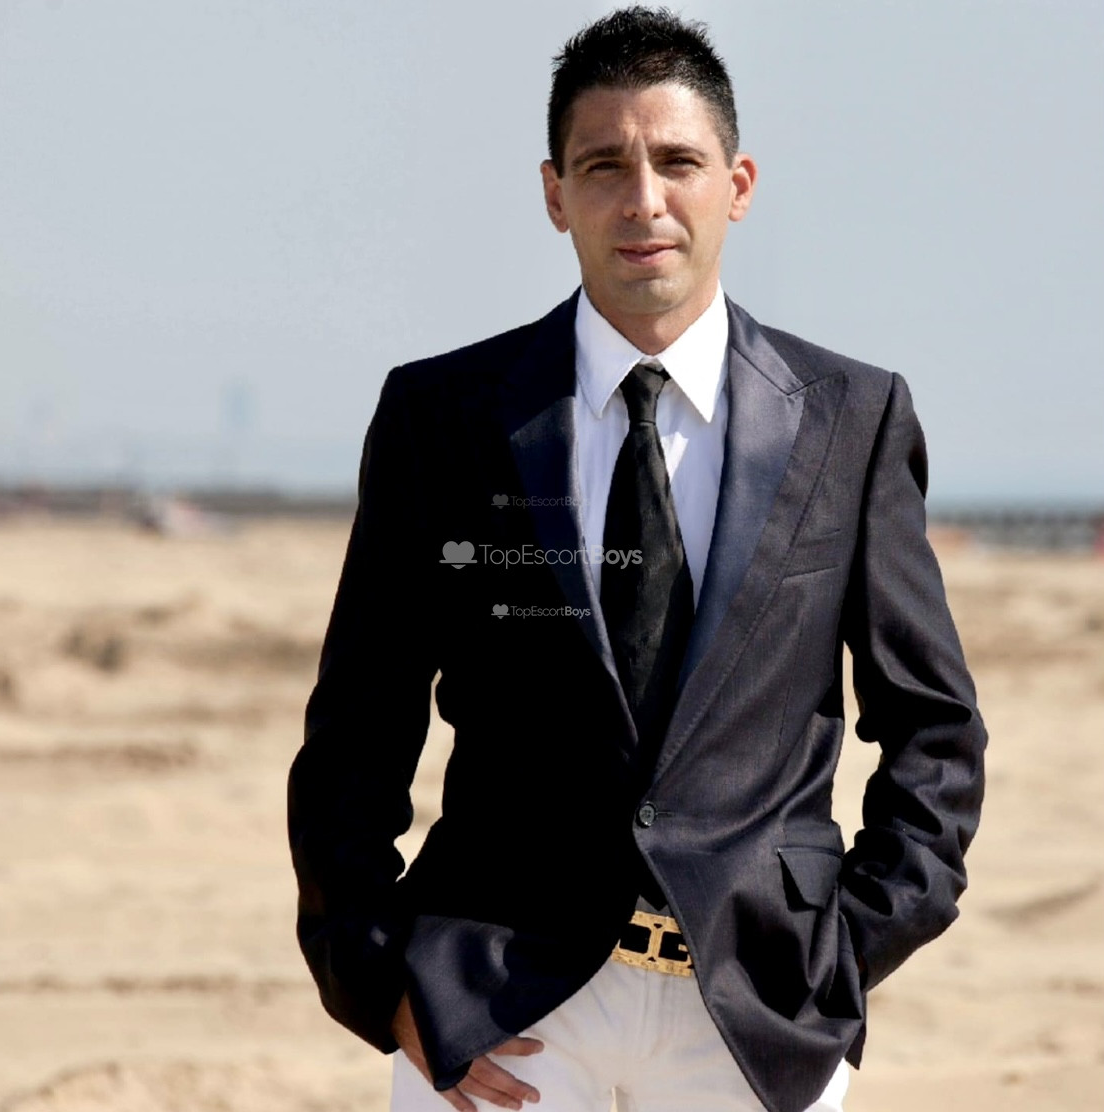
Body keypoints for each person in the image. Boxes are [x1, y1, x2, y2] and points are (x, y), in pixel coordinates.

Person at [286, 8, 986, 1112]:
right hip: (496, 1007)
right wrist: (377, 974)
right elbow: (357, 729)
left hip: (757, 1018)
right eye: (604, 165)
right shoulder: (442, 415)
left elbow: (934, 729)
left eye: (677, 162)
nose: (643, 199)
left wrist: (845, 953)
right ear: (555, 192)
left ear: (737, 184)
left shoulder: (851, 419)